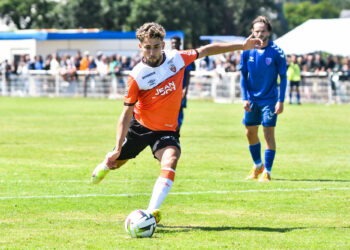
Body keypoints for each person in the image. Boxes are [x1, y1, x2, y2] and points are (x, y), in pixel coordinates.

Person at [91, 22, 262, 223]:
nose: (152, 51)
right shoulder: (136, 76)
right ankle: (106, 162)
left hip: (167, 130)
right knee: (115, 164)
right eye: (148, 47)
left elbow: (206, 50)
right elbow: (126, 114)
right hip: (140, 128)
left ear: (163, 45)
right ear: (140, 47)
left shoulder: (176, 58)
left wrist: (242, 46)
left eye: (156, 46)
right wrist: (117, 147)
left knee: (171, 159)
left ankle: (150, 213)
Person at [239, 16, 287, 182]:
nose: (259, 33)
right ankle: (257, 165)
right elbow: (243, 76)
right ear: (252, 32)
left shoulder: (277, 52)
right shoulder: (247, 51)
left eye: (263, 31)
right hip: (252, 99)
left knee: (268, 133)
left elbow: (284, 77)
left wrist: (280, 101)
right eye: (256, 30)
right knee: (249, 132)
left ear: (269, 32)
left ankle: (267, 171)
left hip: (270, 100)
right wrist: (244, 97)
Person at [170, 35, 195, 131]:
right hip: (169, 89)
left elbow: (188, 74)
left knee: (179, 109)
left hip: (181, 89)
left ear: (180, 44)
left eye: (176, 43)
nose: (174, 44)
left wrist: (186, 89)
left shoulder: (184, 56)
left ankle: (177, 129)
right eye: (172, 43)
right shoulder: (167, 56)